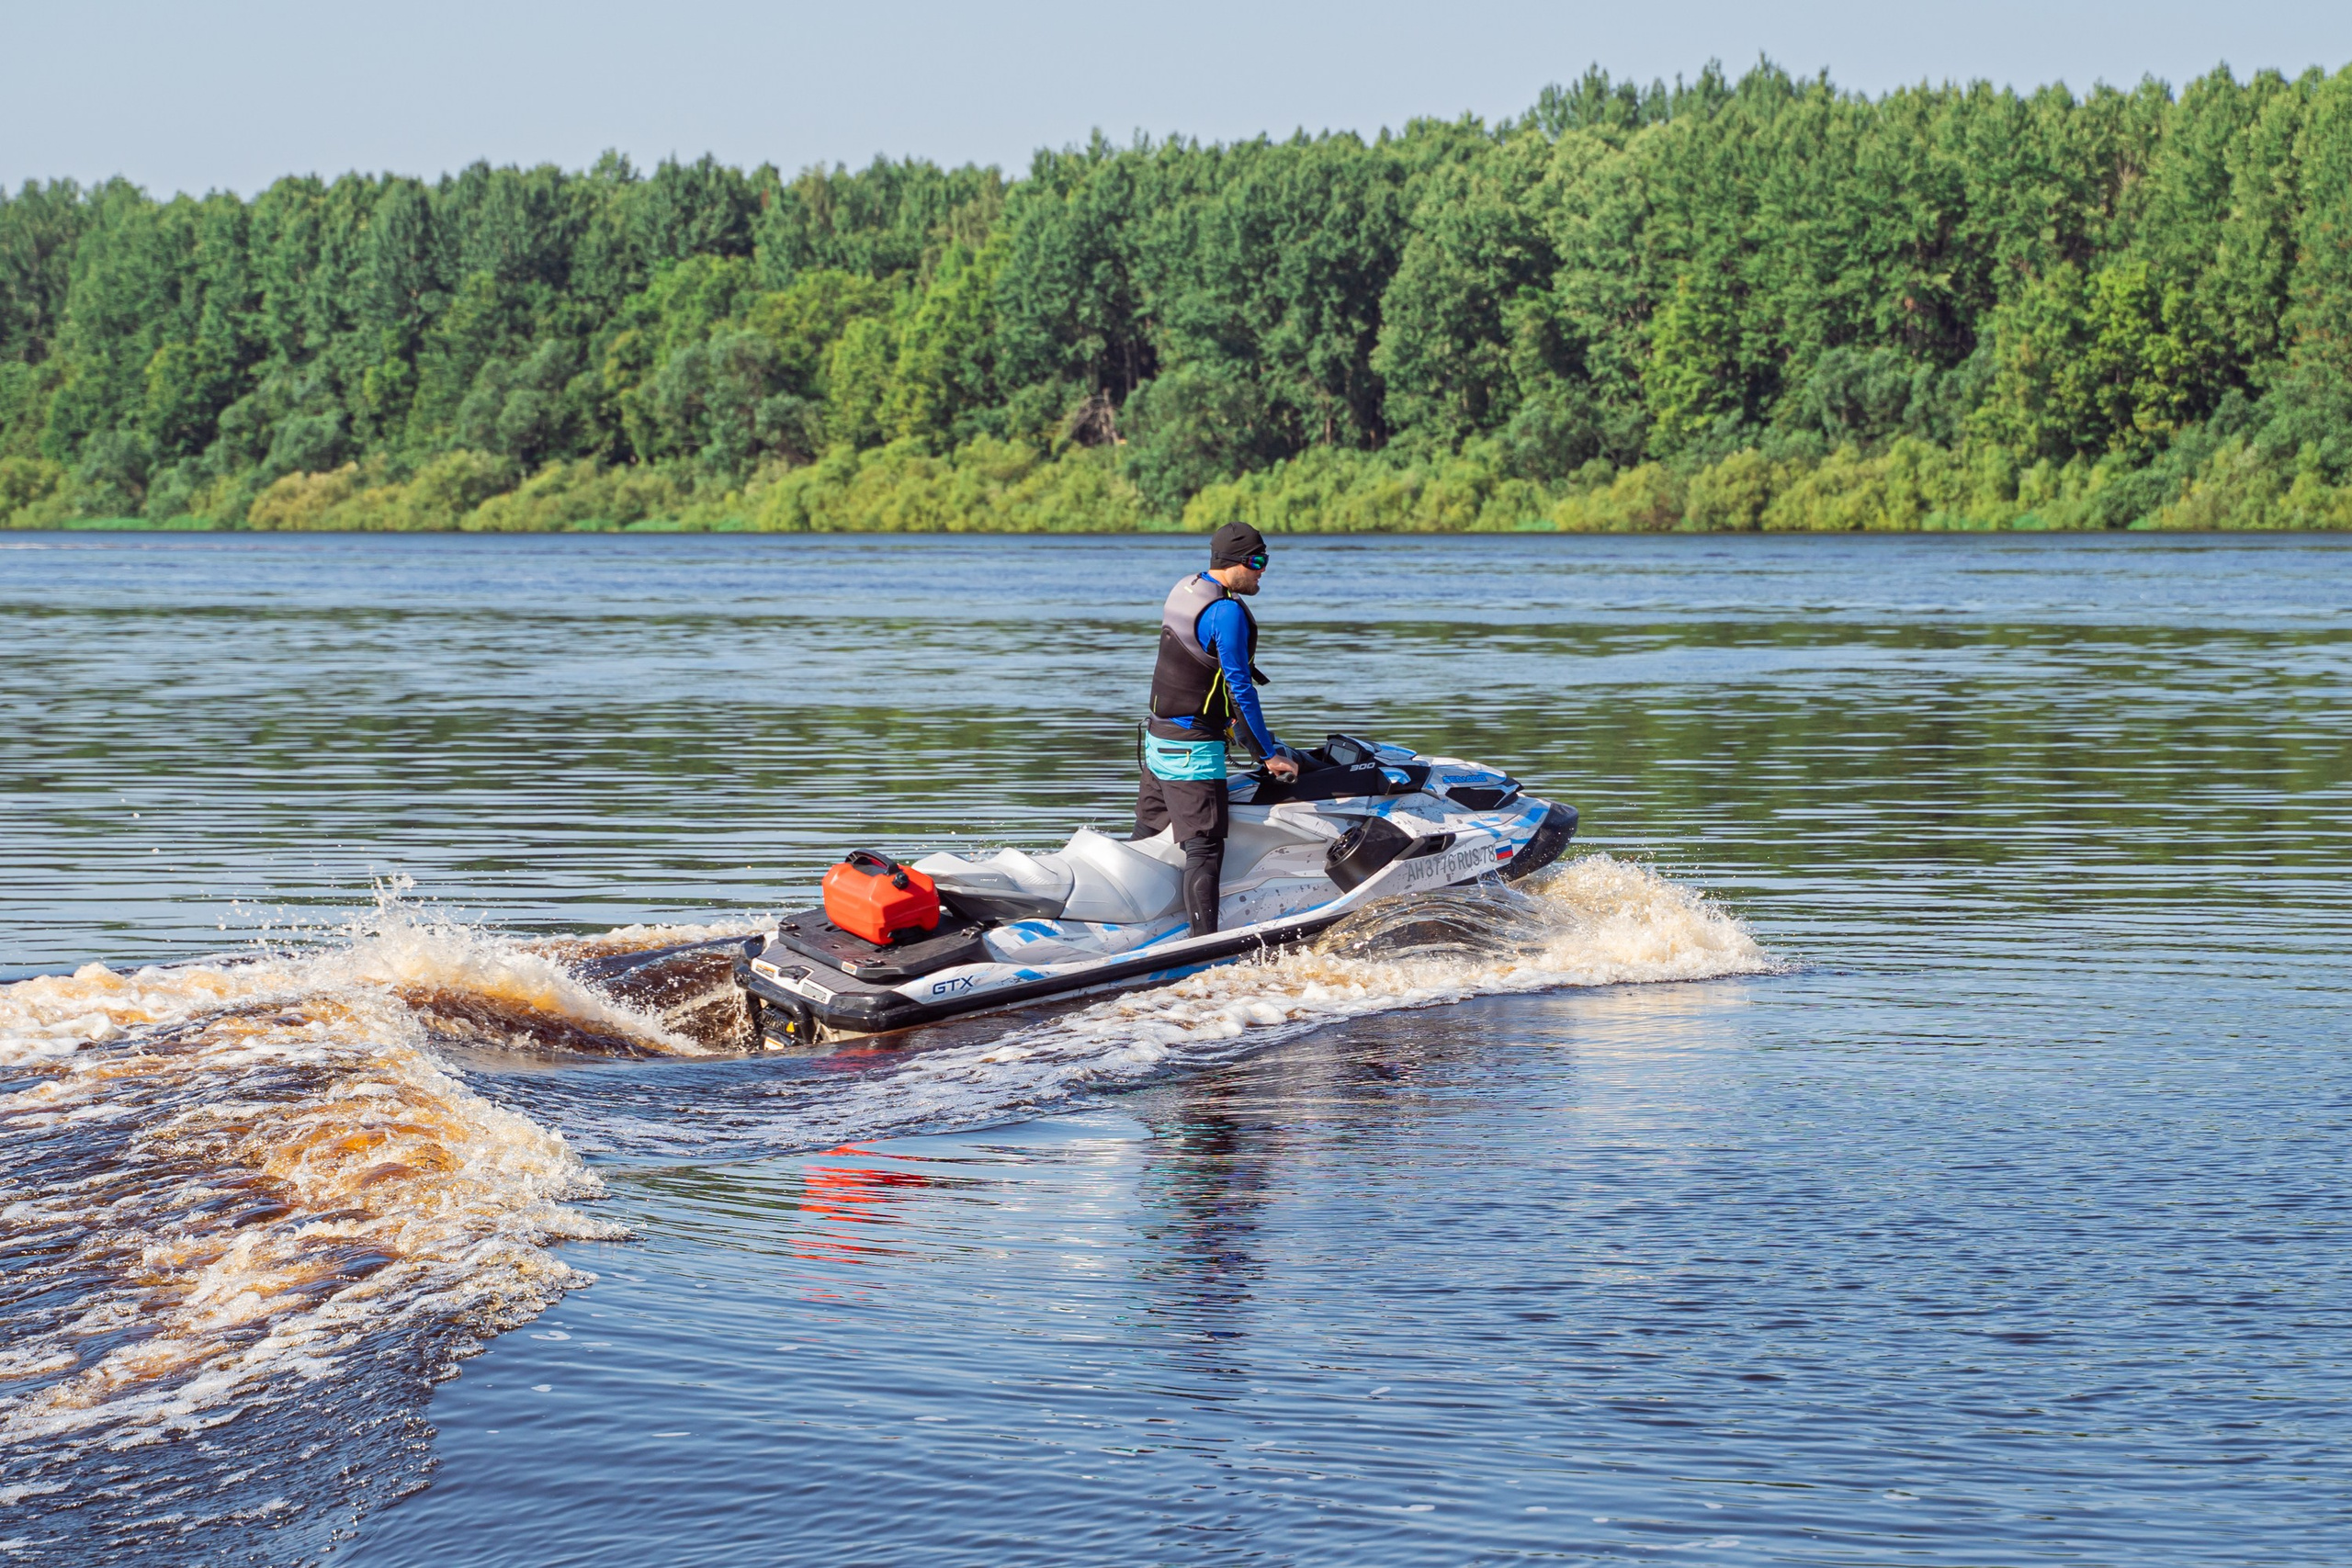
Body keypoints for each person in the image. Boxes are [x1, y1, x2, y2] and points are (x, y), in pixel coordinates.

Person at [1136, 521, 1303, 936]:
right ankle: (1201, 947)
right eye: (1258, 561)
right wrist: (1267, 754)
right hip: (1191, 749)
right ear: (1235, 563)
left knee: (1147, 838)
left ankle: (1135, 921)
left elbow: (1193, 669)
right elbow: (1241, 690)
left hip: (1157, 739)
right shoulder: (1226, 612)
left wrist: (1232, 726)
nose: (1263, 570)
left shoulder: (1187, 587)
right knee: (1205, 848)